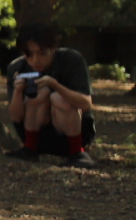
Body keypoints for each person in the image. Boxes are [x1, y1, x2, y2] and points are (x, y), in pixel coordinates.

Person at [5, 21, 96, 167]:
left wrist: (55, 85)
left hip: (73, 133)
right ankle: (30, 149)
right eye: (29, 54)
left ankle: (77, 152)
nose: (35, 60)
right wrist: (17, 92)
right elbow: (15, 117)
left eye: (42, 53)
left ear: (53, 49)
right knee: (38, 95)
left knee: (57, 97)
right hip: (38, 136)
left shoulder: (71, 60)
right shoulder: (17, 67)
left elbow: (86, 104)